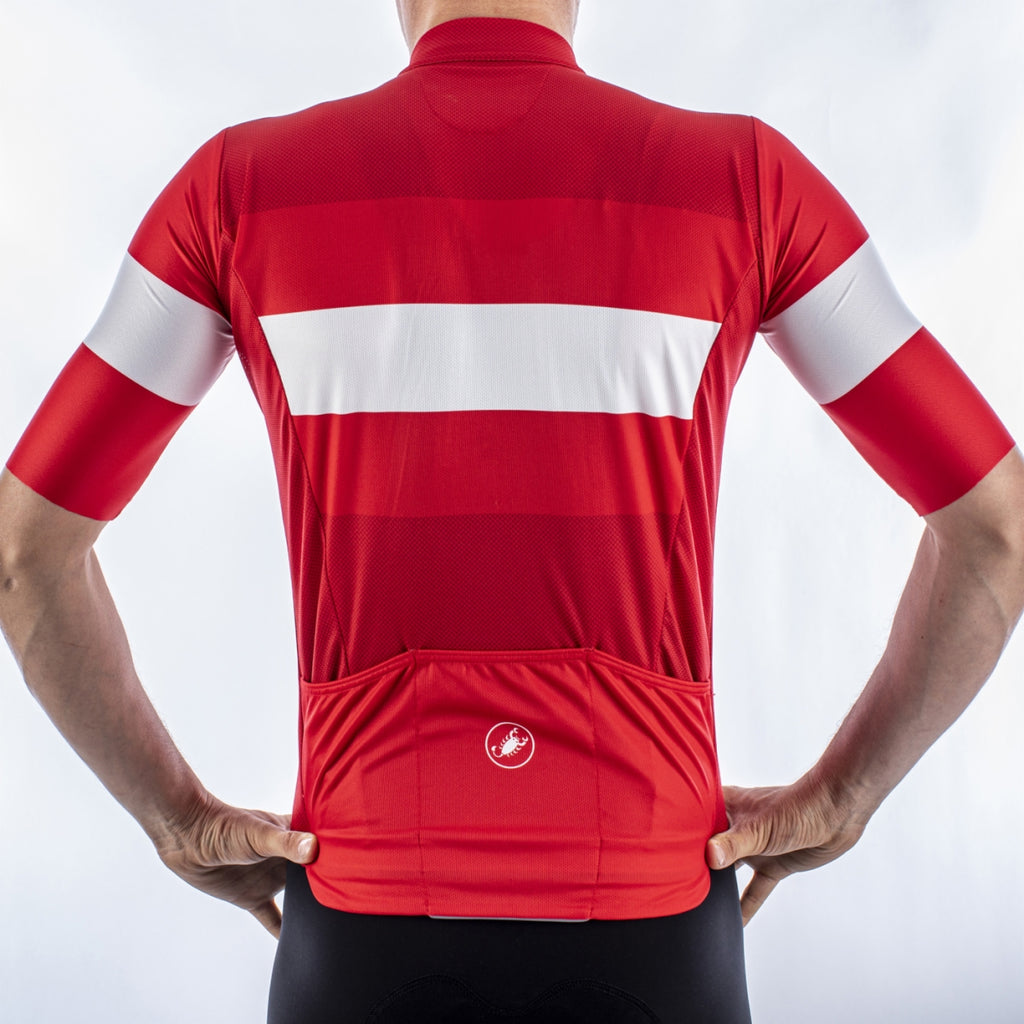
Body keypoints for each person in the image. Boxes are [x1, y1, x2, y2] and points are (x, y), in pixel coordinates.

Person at [2, 1, 1023, 1021]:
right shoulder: (744, 183)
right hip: (656, 922)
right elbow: (998, 530)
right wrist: (845, 796)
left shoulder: (236, 190)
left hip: (360, 919)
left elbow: (24, 553)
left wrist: (176, 818)